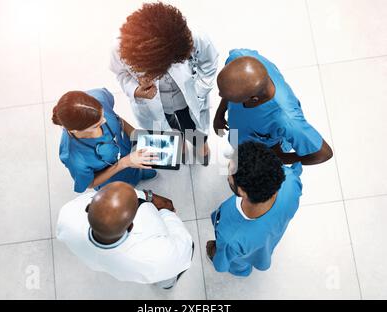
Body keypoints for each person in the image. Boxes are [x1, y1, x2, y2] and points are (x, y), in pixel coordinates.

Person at [110, 2, 219, 165]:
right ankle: (178, 147)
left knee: (194, 129)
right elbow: (121, 73)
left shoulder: (193, 37)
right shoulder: (121, 50)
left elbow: (209, 63)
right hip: (153, 105)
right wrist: (135, 90)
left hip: (187, 99)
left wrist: (199, 92)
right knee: (168, 131)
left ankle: (200, 146)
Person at [57, 182, 194, 289]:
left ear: (88, 207)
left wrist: (145, 196)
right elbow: (185, 247)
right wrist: (166, 213)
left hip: (97, 261)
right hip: (161, 268)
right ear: (130, 226)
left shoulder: (68, 216)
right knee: (166, 276)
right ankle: (166, 285)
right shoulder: (160, 255)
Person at [214, 49, 333, 165]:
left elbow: (323, 154)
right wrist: (219, 114)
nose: (220, 95)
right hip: (238, 133)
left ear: (254, 99)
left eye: (230, 97)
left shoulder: (287, 120)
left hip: (261, 152)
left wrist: (277, 158)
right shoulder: (239, 57)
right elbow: (230, 88)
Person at [206, 141, 302, 276]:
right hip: (267, 241)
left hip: (241, 253)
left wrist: (216, 252)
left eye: (230, 169)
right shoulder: (291, 182)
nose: (228, 167)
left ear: (242, 192)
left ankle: (242, 271)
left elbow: (221, 265)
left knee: (239, 263)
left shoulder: (231, 237)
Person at [52, 88, 158, 193]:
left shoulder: (98, 97)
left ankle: (138, 173)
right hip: (112, 180)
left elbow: (117, 119)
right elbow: (90, 183)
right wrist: (124, 163)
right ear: (75, 131)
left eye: (103, 116)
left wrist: (138, 136)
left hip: (130, 153)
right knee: (126, 192)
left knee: (140, 169)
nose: (105, 121)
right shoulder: (73, 157)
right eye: (96, 125)